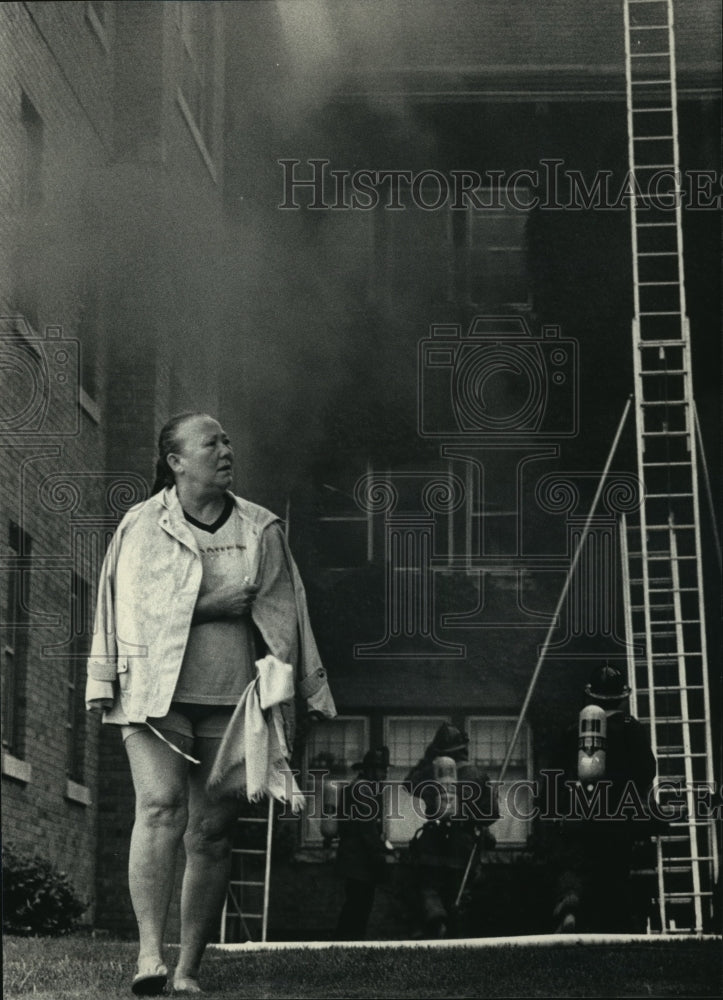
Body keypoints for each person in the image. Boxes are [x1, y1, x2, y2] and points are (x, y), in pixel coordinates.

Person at [85, 412, 335, 995]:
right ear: (176, 461)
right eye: (211, 442)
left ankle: (188, 969)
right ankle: (149, 954)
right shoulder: (141, 526)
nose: (226, 449)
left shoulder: (260, 529)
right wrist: (210, 602)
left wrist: (306, 693)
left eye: (228, 438)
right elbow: (126, 615)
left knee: (212, 832)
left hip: (235, 703)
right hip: (153, 695)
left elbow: (285, 620)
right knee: (160, 807)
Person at [550, 663, 657, 933]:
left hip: (579, 813)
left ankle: (571, 907)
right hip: (619, 817)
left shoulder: (573, 730)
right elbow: (646, 771)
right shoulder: (632, 728)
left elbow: (556, 776)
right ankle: (614, 928)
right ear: (623, 697)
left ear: (590, 695)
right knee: (614, 871)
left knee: (575, 865)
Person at [406, 723, 497, 938]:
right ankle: (458, 936)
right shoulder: (477, 775)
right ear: (463, 748)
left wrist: (427, 759)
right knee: (460, 893)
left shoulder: (431, 773)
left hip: (433, 841)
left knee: (429, 887)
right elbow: (491, 813)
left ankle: (437, 921)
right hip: (462, 845)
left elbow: (408, 783)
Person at [334, 747, 394, 940]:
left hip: (356, 859)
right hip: (358, 861)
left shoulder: (360, 787)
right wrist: (381, 853)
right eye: (381, 770)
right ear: (370, 770)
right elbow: (367, 829)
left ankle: (347, 946)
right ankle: (347, 947)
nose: (384, 774)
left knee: (356, 906)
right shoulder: (363, 789)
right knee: (358, 907)